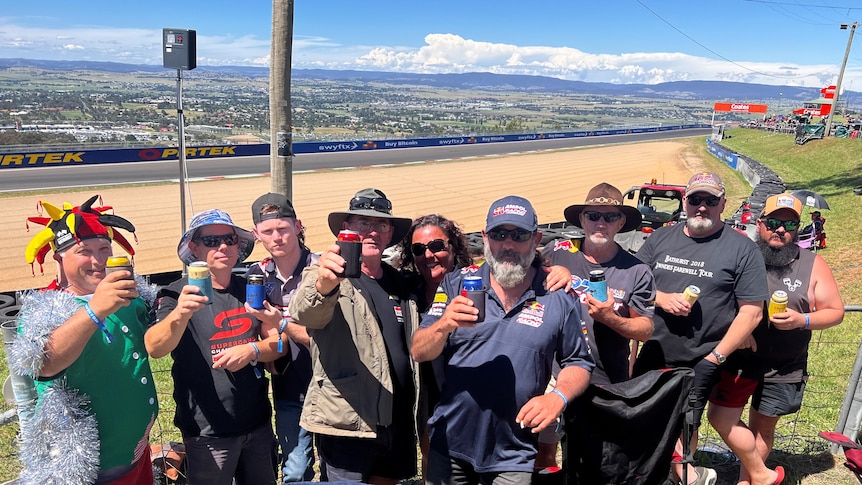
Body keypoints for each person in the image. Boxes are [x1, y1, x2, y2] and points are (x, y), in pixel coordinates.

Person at [411, 195, 594, 485]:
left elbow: (579, 361)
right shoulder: (456, 283)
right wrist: (444, 325)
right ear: (485, 237)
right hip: (451, 443)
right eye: (498, 234)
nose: (507, 244)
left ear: (536, 238)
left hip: (514, 450)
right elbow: (419, 350)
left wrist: (557, 397)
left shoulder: (558, 295)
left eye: (519, 234)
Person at [11, 194, 158, 484]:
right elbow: (45, 364)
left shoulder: (131, 296)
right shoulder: (45, 310)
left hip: (137, 457)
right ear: (59, 258)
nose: (98, 260)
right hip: (85, 471)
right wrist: (95, 309)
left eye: (105, 248)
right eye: (84, 251)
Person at [633, 172, 768, 485]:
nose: (702, 207)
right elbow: (634, 286)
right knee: (643, 419)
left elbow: (752, 312)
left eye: (710, 200)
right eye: (695, 199)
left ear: (723, 204)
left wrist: (715, 358)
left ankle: (684, 476)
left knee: (685, 428)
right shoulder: (661, 238)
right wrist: (662, 299)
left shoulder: (741, 248)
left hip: (702, 358)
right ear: (685, 201)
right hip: (654, 350)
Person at [708, 193, 844, 485]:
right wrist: (737, 330)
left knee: (763, 430)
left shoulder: (812, 264)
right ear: (760, 224)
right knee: (719, 417)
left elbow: (835, 312)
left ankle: (748, 481)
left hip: (785, 365)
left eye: (789, 224)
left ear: (797, 228)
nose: (780, 229)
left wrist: (802, 320)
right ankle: (762, 474)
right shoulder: (742, 256)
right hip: (740, 360)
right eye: (773, 222)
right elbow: (716, 300)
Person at [288, 188, 421, 485]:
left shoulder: (400, 282)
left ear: (389, 235)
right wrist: (325, 284)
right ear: (346, 229)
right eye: (363, 223)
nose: (372, 232)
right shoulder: (326, 274)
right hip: (348, 422)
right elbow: (305, 313)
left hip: (395, 420)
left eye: (381, 225)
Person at [146, 208, 284, 485]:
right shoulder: (176, 293)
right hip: (207, 430)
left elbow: (278, 345)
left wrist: (252, 350)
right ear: (194, 248)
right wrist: (180, 314)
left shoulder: (251, 289)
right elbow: (154, 347)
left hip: (256, 424)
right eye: (211, 241)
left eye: (230, 239)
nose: (223, 246)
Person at [544, 182, 655, 384]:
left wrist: (611, 318)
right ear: (582, 219)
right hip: (554, 375)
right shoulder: (557, 252)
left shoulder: (637, 270)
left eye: (610, 217)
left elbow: (645, 330)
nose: (601, 223)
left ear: (621, 223)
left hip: (605, 381)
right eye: (593, 216)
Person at [247, 193, 319, 483]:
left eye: (283, 228)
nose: (277, 237)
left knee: (338, 468)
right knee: (295, 471)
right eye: (267, 231)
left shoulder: (323, 268)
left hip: (334, 385)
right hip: (289, 388)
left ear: (298, 226)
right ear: (256, 234)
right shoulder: (256, 274)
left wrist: (282, 321)